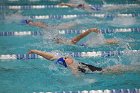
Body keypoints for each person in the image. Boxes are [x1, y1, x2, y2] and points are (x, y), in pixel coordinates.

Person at [28, 49, 103, 75]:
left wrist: (78, 78)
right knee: (104, 70)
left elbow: (74, 67)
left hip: (83, 68)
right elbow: (48, 56)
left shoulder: (65, 59)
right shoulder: (57, 58)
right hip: (82, 67)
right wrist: (35, 51)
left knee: (105, 71)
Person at [53, 28, 118, 46]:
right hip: (90, 44)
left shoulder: (69, 42)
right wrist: (90, 30)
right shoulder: (70, 42)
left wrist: (90, 30)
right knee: (108, 42)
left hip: (89, 44)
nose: (63, 38)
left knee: (108, 42)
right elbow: (80, 36)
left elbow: (80, 37)